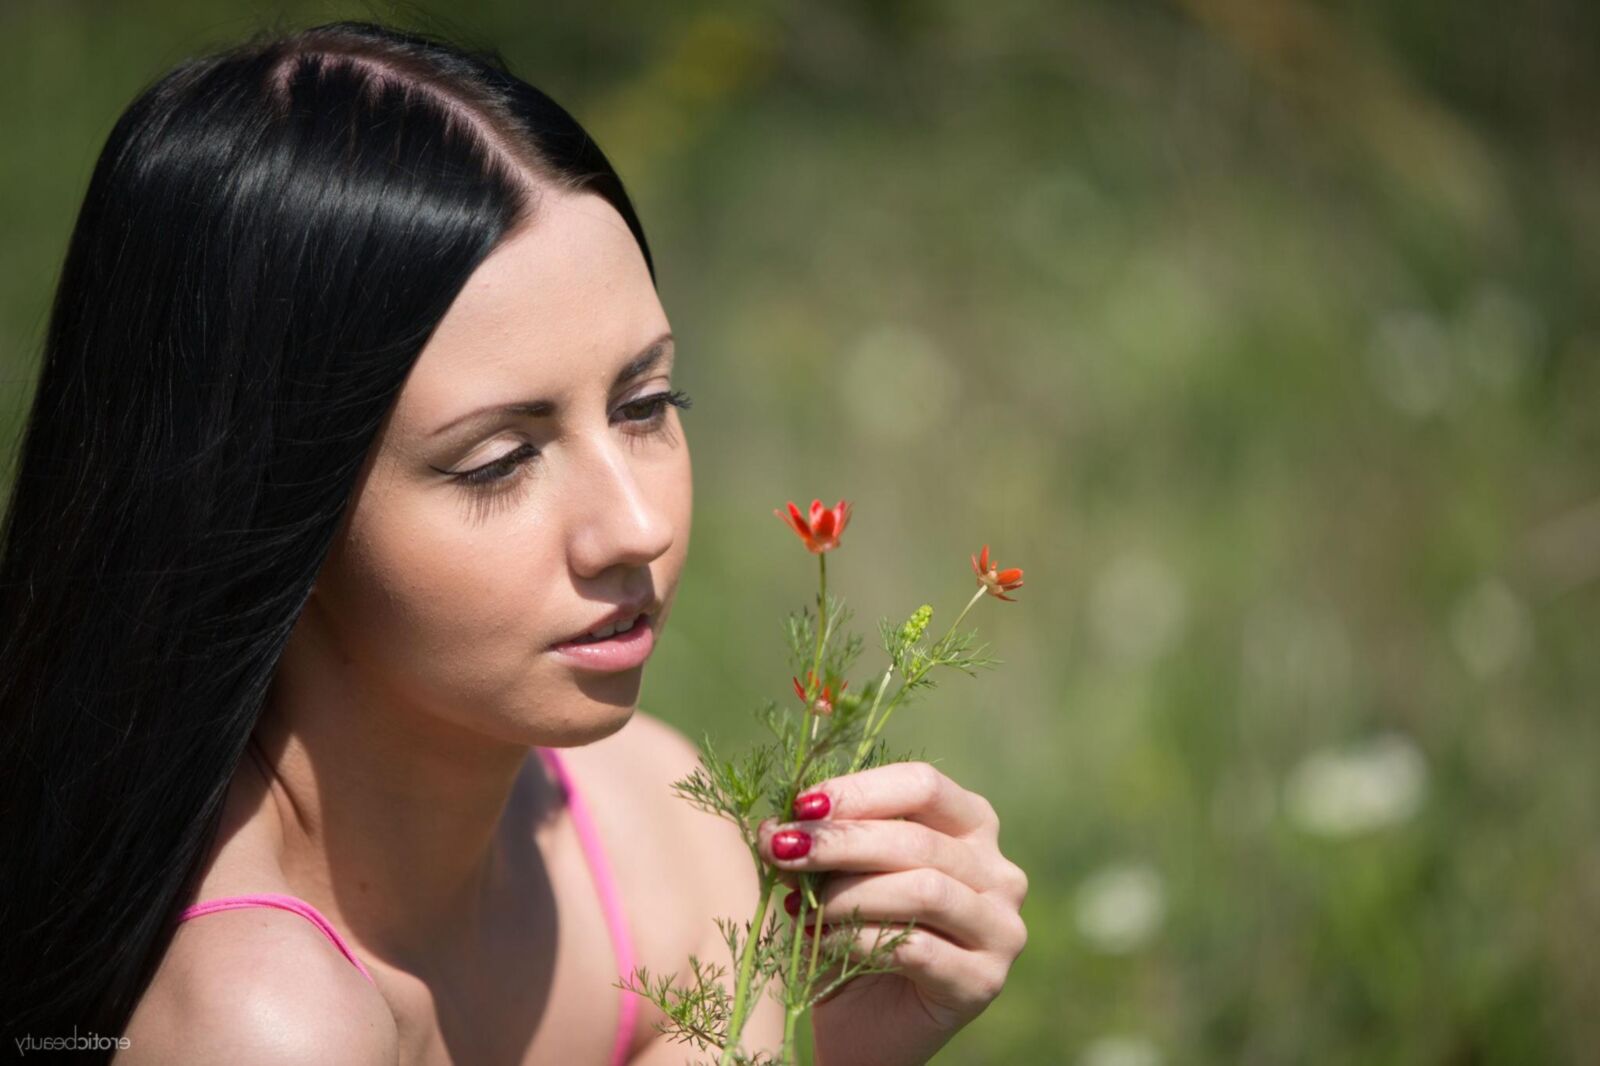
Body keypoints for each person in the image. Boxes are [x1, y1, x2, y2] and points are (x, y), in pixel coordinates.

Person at [0, 21, 1028, 1065]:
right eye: (497, 460)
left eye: (644, 402)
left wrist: (859, 1050)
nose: (637, 524)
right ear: (261, 503)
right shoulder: (260, 1023)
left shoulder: (655, 830)